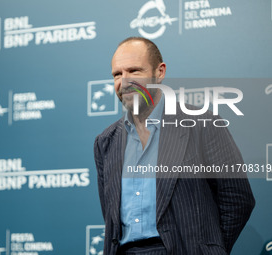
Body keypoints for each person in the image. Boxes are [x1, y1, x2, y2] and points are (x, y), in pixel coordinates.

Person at [93, 37, 255, 255]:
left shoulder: (202, 124)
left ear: (159, 72)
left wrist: (206, 248)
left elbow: (237, 198)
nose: (124, 81)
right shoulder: (106, 142)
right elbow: (110, 216)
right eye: (117, 74)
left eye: (134, 71)